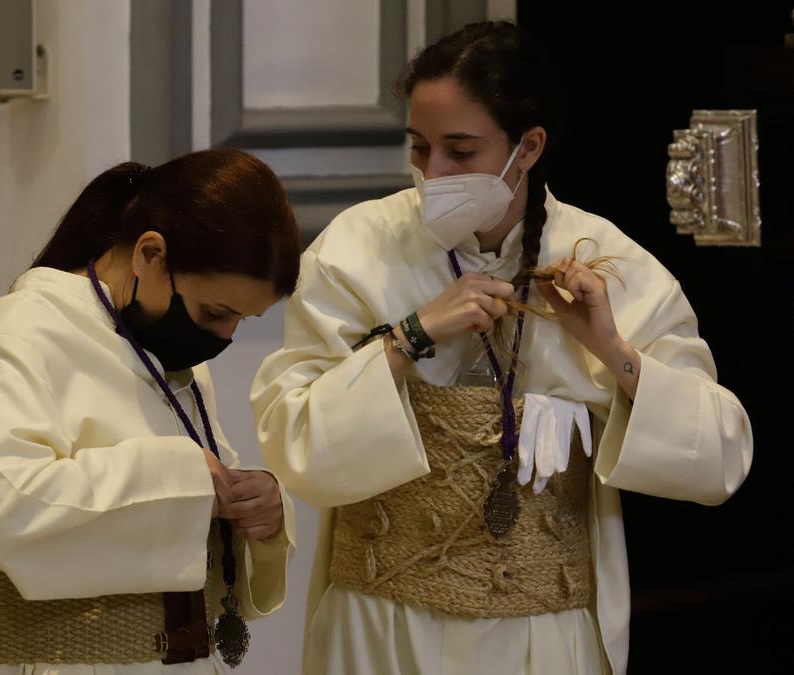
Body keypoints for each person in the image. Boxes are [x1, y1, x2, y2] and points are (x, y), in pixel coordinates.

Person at [251, 22, 753, 675]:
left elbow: (720, 456)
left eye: (460, 151)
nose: (432, 173)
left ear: (529, 146)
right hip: (381, 624)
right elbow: (295, 446)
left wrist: (610, 351)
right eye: (419, 147)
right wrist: (409, 337)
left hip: (543, 631)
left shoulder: (604, 259)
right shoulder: (356, 248)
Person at [0, 148, 300, 674]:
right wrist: (183, 478)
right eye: (216, 312)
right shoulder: (22, 333)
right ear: (150, 254)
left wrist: (259, 510)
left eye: (244, 319)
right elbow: (4, 506)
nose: (224, 337)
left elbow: (198, 511)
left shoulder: (170, 354)